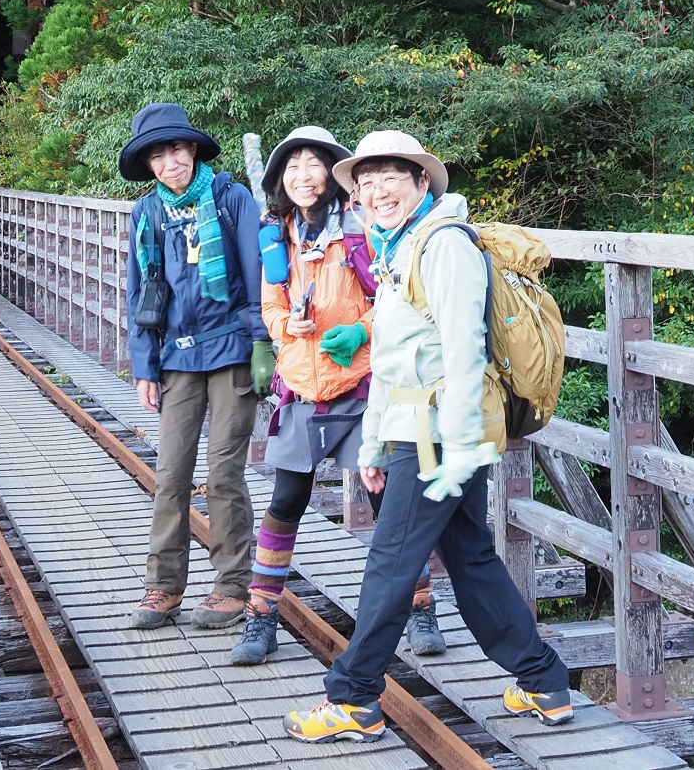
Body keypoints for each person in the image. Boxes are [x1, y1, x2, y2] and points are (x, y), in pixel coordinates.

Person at [285, 129, 573, 745]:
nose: (378, 191)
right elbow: (393, 357)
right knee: (470, 557)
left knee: (392, 562)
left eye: (393, 177)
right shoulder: (399, 248)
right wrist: (372, 445)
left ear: (422, 182)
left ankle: (354, 698)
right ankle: (542, 680)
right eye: (367, 182)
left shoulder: (443, 245)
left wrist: (461, 442)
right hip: (417, 428)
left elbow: (466, 349)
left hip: (439, 434)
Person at [234, 126, 448, 667]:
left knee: (386, 501)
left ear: (333, 173)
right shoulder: (276, 233)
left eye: (313, 165)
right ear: (279, 179)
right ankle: (261, 616)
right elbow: (270, 307)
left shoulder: (363, 226)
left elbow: (399, 300)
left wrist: (359, 330)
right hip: (301, 387)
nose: (303, 176)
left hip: (364, 384)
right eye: (292, 167)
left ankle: (421, 607)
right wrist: (287, 328)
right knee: (286, 502)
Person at [118, 102, 274, 632]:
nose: (170, 163)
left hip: (232, 349)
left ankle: (232, 585)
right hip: (178, 357)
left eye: (176, 150)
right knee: (170, 474)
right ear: (149, 164)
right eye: (158, 156)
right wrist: (144, 366)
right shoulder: (147, 213)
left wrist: (262, 344)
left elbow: (257, 274)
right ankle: (164, 585)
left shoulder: (231, 199)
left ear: (193, 150)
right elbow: (141, 292)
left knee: (223, 471)